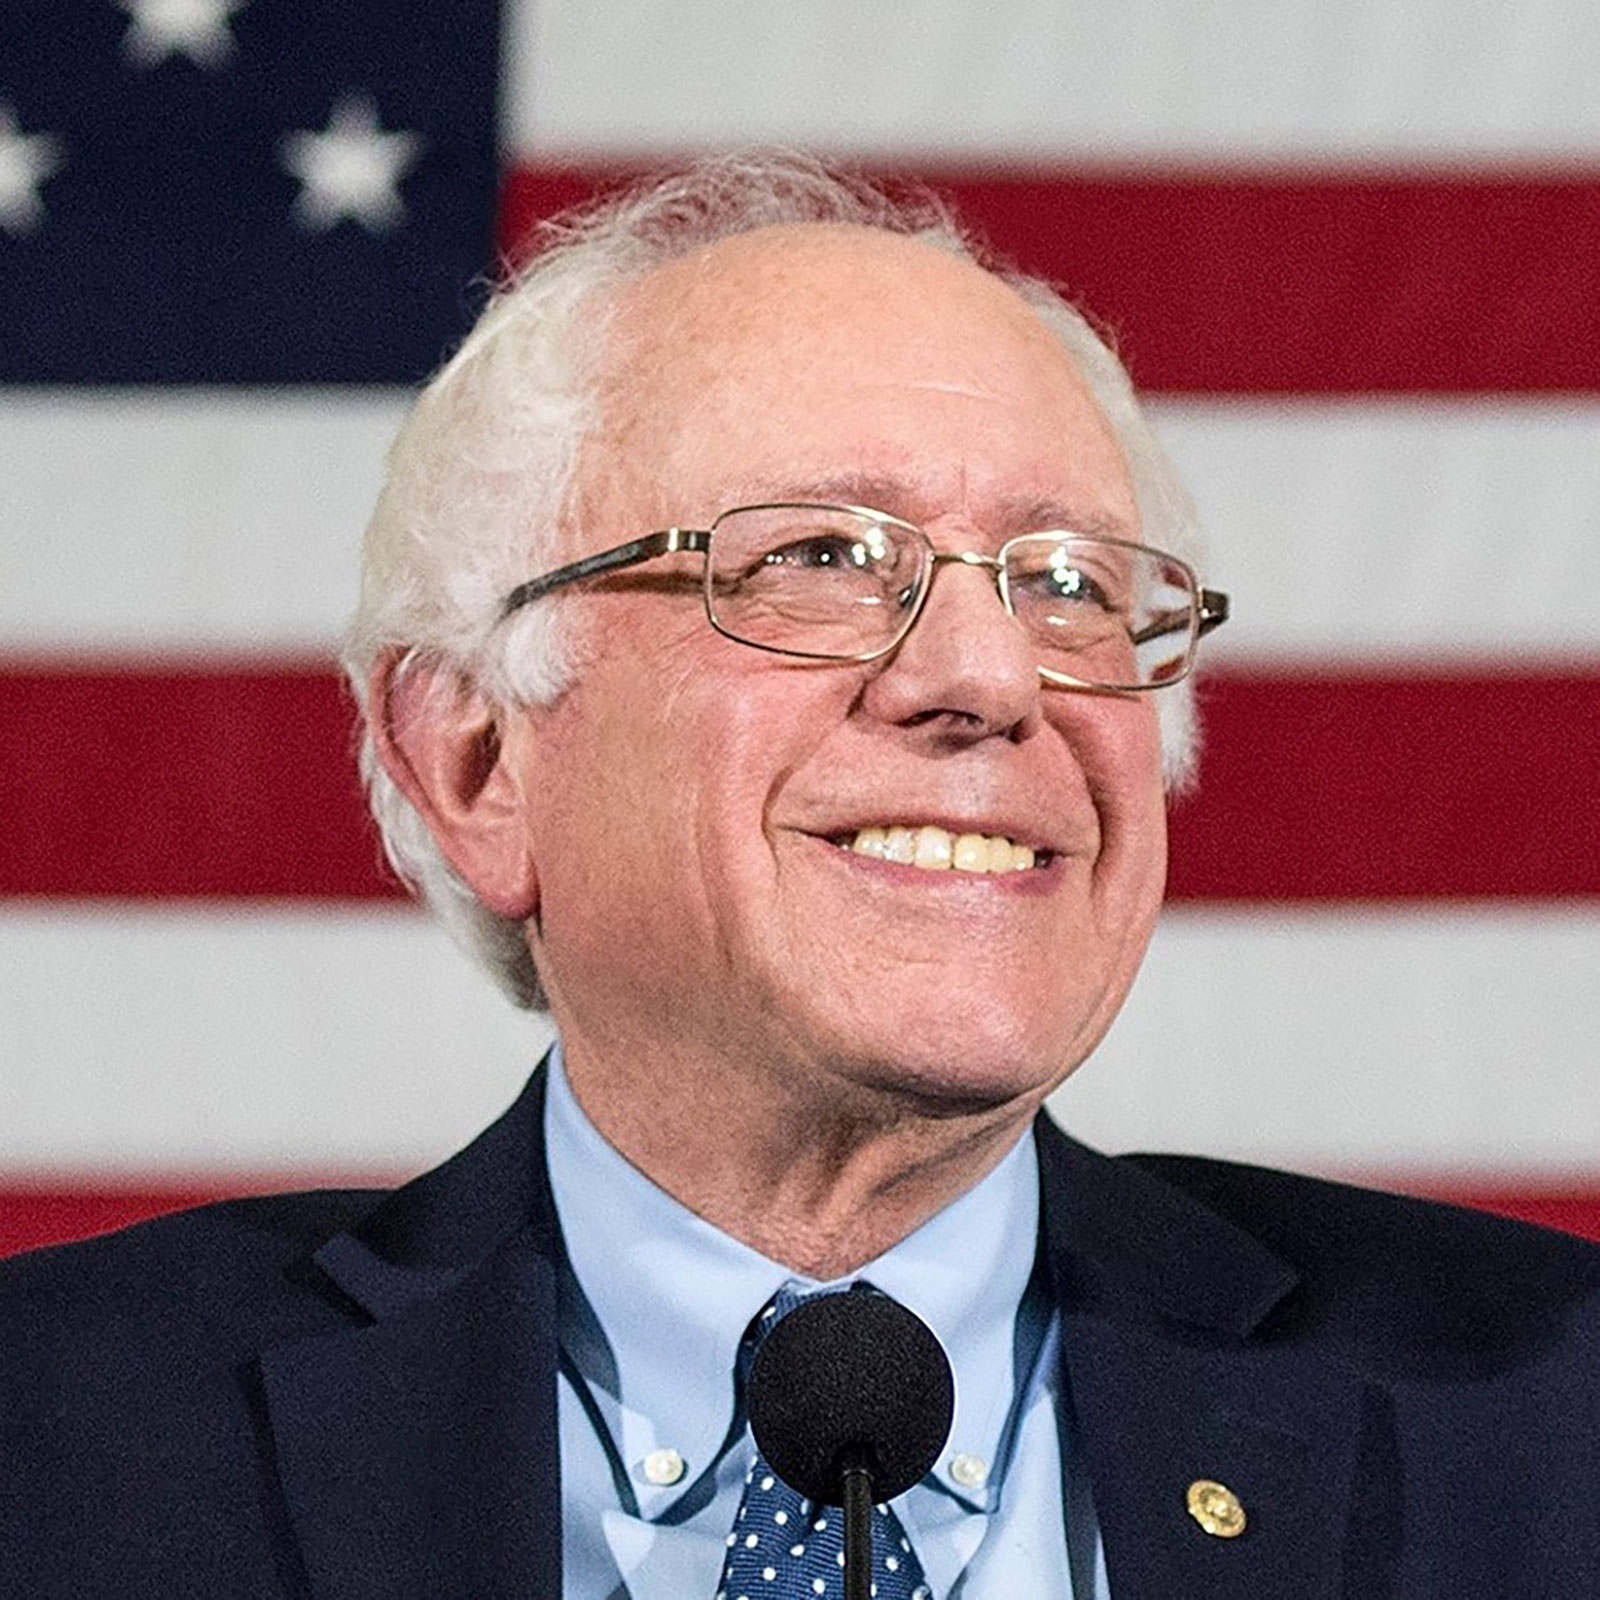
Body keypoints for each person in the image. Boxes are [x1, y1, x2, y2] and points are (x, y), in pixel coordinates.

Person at [2, 153, 1597, 1599]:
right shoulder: (54, 1451)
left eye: (1066, 583)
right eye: (821, 558)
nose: (989, 677)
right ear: (478, 758)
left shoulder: (1556, 1424)